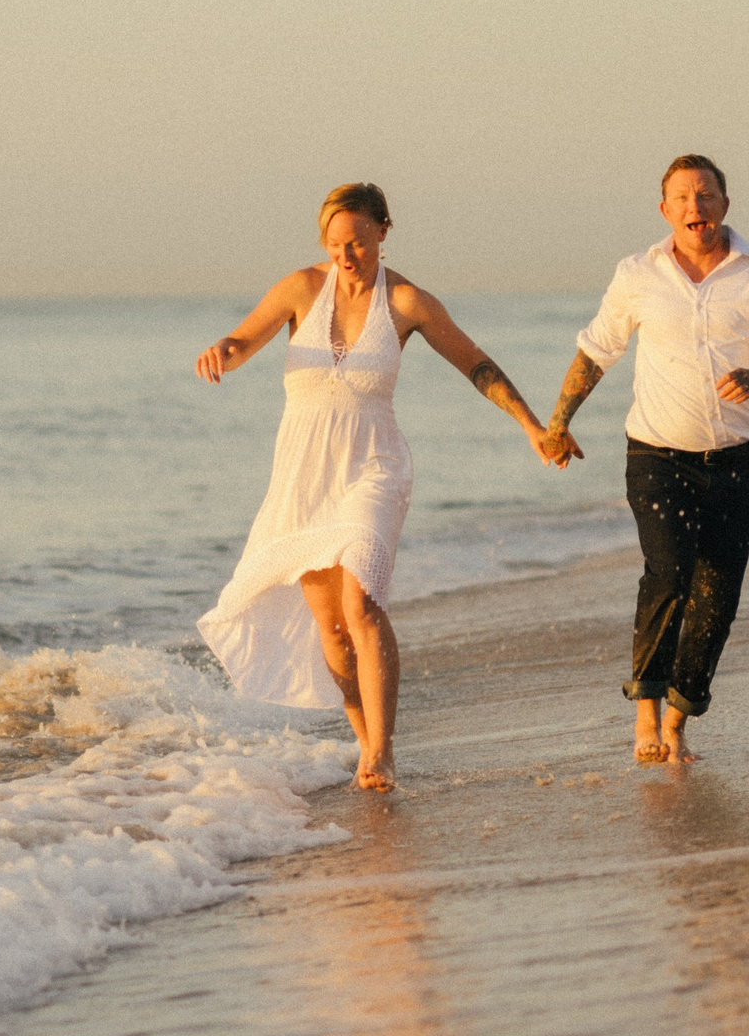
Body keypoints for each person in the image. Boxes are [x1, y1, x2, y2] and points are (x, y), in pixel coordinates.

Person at [196, 183, 569, 792]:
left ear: (382, 235)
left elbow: (475, 362)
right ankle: (363, 739)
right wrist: (222, 351)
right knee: (331, 628)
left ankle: (384, 751)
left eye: (361, 243)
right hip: (304, 477)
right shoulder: (300, 289)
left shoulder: (406, 302)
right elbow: (244, 341)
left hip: (374, 466)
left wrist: (530, 424)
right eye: (338, 244)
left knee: (361, 604)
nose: (349, 256)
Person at [542, 154, 749, 764]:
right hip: (656, 454)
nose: (696, 207)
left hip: (737, 461)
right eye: (683, 198)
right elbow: (596, 350)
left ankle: (678, 722)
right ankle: (645, 707)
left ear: (725, 203)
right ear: (665, 209)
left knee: (717, 593)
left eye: (707, 195)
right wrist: (558, 424)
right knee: (668, 570)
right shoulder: (637, 274)